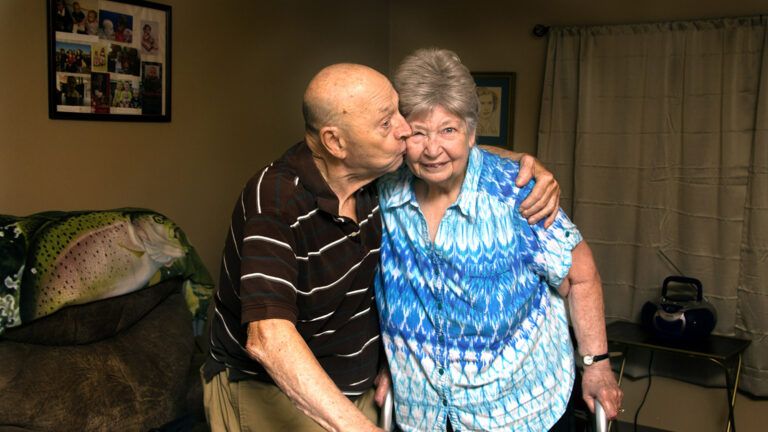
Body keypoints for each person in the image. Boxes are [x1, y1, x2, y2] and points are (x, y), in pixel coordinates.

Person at [201, 62, 562, 432]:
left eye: (398, 113)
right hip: (278, 390)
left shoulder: (375, 177)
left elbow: (447, 148)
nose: (406, 130)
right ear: (336, 143)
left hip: (356, 389)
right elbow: (269, 338)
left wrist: (523, 163)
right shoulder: (276, 201)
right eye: (387, 123)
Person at [375, 48, 622, 431]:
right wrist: (391, 361)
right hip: (423, 412)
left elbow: (582, 275)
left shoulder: (518, 193)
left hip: (518, 410)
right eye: (418, 133)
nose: (433, 148)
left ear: (472, 133)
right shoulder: (386, 193)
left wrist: (597, 364)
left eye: (448, 130)